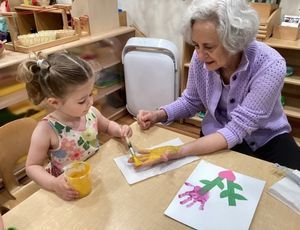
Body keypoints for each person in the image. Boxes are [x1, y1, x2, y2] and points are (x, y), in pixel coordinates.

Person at [134, 0, 300, 170]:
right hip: (216, 134)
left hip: (268, 137)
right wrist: (158, 115)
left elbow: (237, 128)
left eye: (209, 47)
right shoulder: (201, 59)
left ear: (234, 40)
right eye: (196, 45)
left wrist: (179, 151)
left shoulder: (270, 65)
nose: (199, 55)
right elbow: (191, 101)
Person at [18, 51, 132, 201]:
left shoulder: (90, 112)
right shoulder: (46, 130)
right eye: (82, 100)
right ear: (55, 102)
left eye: (91, 94)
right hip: (69, 188)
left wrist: (119, 130)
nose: (90, 102)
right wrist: (53, 184)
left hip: (97, 175)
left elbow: (107, 126)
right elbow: (32, 167)